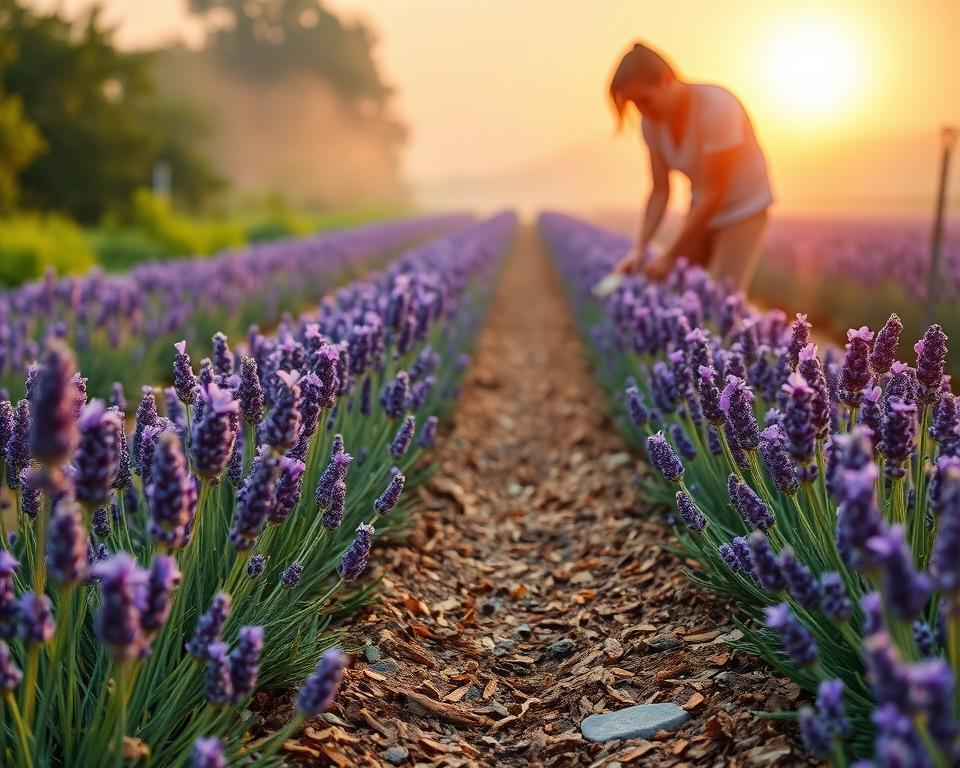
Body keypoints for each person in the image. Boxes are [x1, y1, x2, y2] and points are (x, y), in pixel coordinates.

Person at [609, 42, 774, 294]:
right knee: (679, 289)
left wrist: (671, 255)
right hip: (702, 205)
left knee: (722, 295)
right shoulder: (651, 123)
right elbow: (660, 191)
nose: (642, 110)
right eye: (634, 104)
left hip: (744, 208)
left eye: (645, 99)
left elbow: (715, 191)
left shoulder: (718, 108)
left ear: (666, 80)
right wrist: (639, 249)